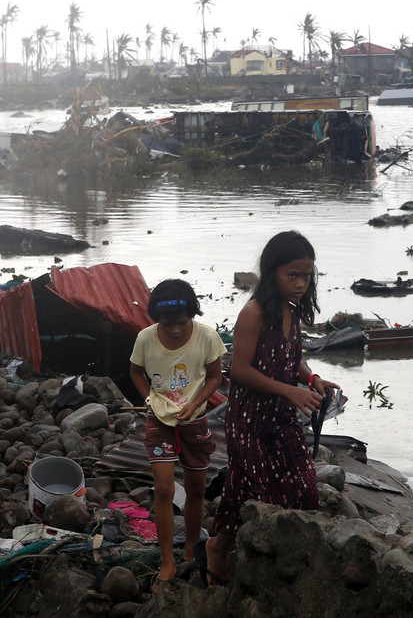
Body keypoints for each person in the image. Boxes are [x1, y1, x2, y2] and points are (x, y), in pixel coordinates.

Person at [201, 230, 338, 586]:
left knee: (304, 489)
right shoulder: (254, 312)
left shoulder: (291, 312)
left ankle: (233, 550)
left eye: (306, 275)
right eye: (292, 275)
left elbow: (291, 359)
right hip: (249, 419)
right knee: (260, 491)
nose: (300, 283)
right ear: (271, 272)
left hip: (280, 417)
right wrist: (290, 393)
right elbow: (240, 370)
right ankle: (227, 553)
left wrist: (311, 380)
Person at [128, 279, 227, 592]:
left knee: (197, 490)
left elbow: (215, 377)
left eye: (181, 323)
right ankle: (168, 559)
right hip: (159, 424)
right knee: (163, 489)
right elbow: (135, 371)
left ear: (193, 315)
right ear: (157, 319)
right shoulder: (145, 338)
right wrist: (149, 400)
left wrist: (196, 403)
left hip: (195, 423)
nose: (173, 330)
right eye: (166, 323)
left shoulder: (207, 337)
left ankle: (191, 548)